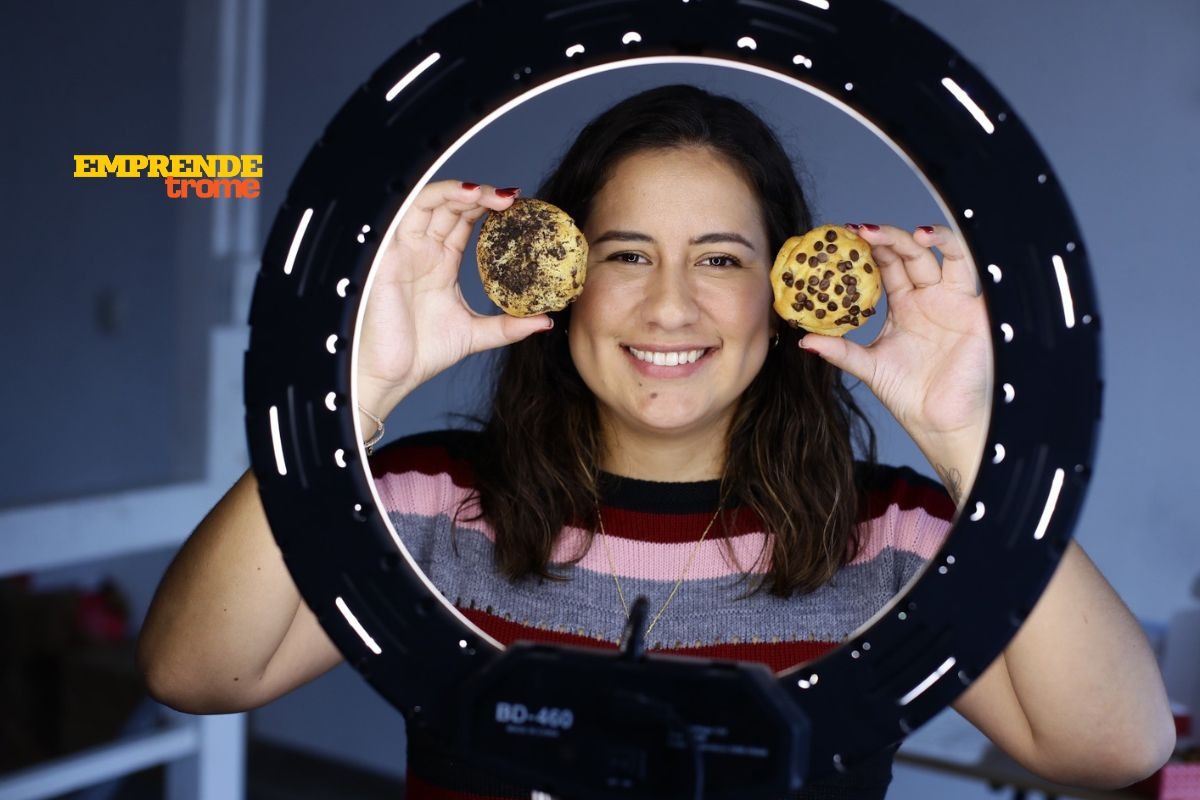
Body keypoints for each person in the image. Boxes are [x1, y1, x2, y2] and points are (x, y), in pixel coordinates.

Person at [138, 85, 1174, 798]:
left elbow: (1117, 745)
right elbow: (196, 670)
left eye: (720, 259)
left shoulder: (895, 533)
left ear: (781, 293)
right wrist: (351, 395)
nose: (670, 306)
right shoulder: (430, 502)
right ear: (562, 279)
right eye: (626, 253)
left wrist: (971, 443)